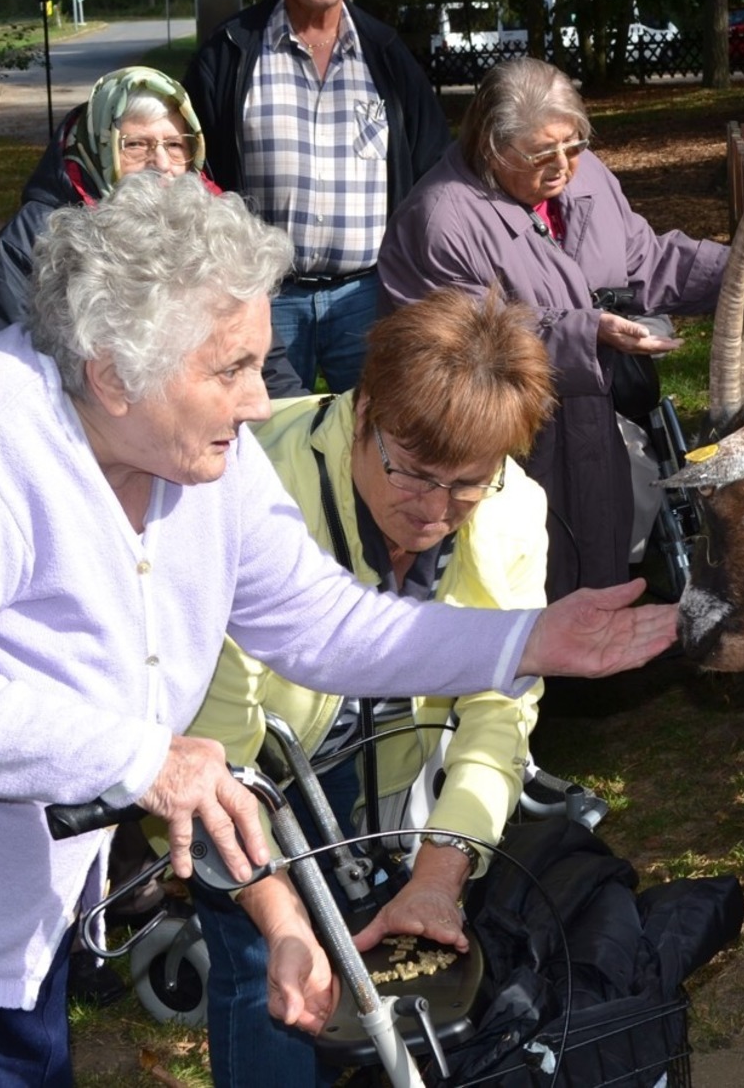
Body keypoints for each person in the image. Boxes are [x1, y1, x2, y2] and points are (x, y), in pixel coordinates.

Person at [0, 169, 675, 1086]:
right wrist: (143, 759)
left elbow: (317, 620)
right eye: (231, 368)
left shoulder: (204, 458)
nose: (259, 400)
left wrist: (521, 641)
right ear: (113, 372)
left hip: (18, 918)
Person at [183, 288, 554, 1087]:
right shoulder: (248, 482)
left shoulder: (514, 508)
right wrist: (280, 912)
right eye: (414, 474)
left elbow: (499, 714)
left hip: (380, 776)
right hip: (253, 767)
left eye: (467, 485)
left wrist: (438, 872)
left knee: (383, 970)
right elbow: (218, 746)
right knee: (269, 975)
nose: (434, 512)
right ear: (364, 411)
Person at [379, 57, 744, 599]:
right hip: (507, 453)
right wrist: (587, 334)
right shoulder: (440, 220)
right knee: (511, 587)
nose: (563, 166)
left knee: (600, 574)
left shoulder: (589, 176)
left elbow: (645, 259)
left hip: (595, 431)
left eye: (573, 146)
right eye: (541, 153)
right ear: (490, 147)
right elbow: (456, 352)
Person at [184, 0, 450, 395]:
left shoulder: (386, 54)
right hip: (262, 298)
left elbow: (433, 169)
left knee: (375, 440)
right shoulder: (233, 52)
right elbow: (195, 173)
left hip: (367, 296)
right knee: (265, 442)